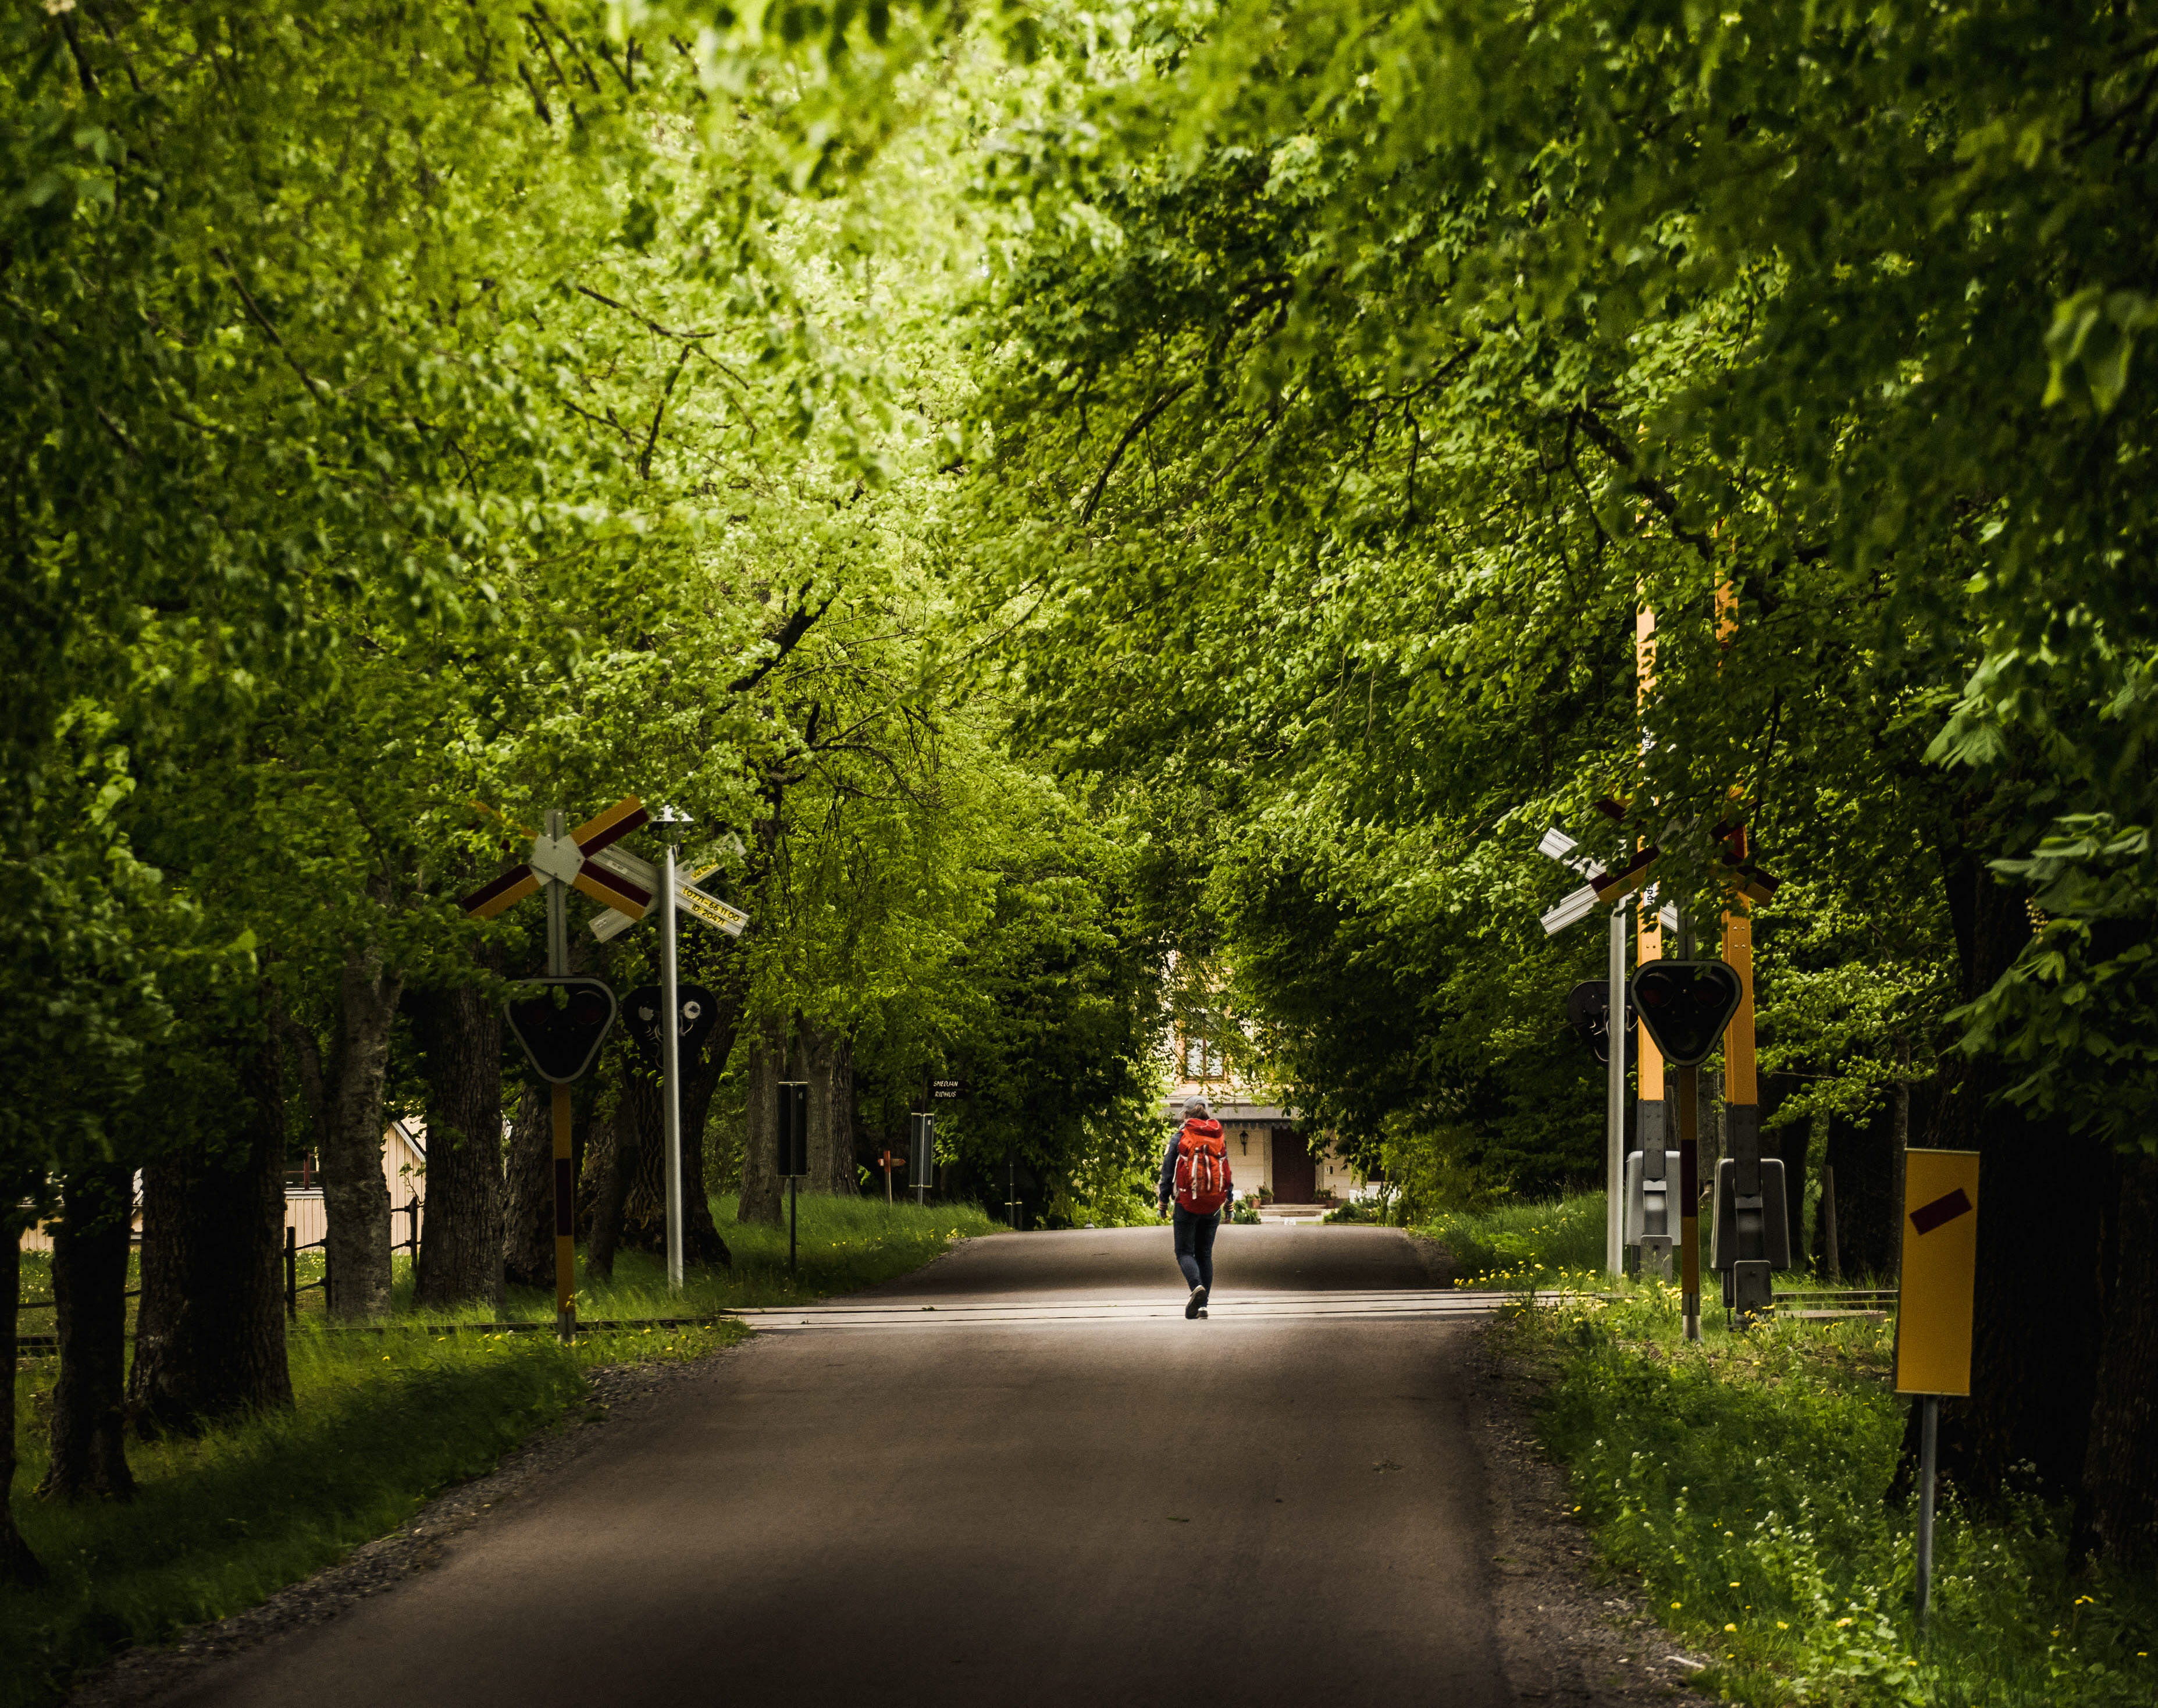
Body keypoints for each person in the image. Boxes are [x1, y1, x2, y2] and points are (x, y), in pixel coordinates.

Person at [1158, 1098, 1231, 1318]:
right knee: (1205, 1254)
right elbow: (1226, 1171)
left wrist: (1163, 1202)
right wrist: (1229, 1203)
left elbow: (1167, 1173)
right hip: (1213, 1205)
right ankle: (1203, 1306)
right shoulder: (1218, 1136)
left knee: (1184, 1252)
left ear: (1185, 1114)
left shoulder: (1180, 1137)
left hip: (1186, 1203)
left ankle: (1196, 1287)